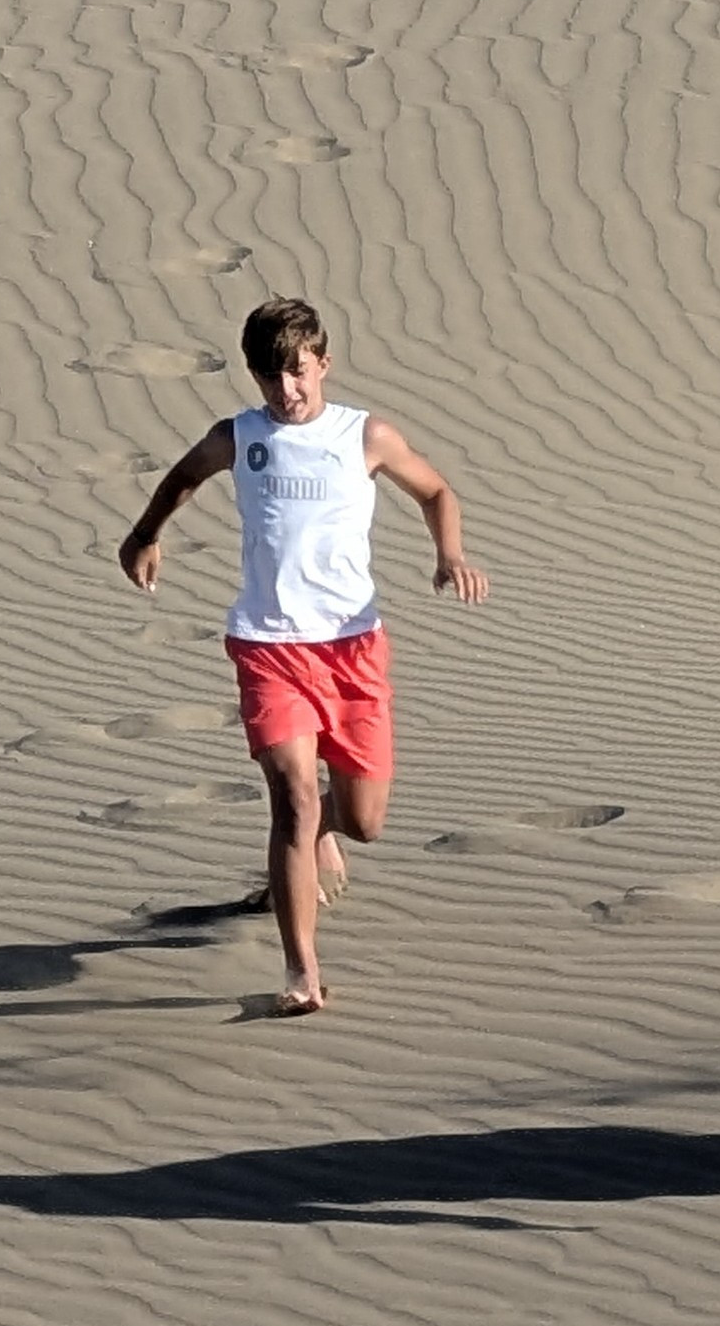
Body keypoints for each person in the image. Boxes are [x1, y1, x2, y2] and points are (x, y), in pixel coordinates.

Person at [118, 297, 488, 1015]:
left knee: (365, 820)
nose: (285, 390)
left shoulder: (365, 435)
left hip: (353, 647)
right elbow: (183, 477)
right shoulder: (239, 436)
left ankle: (322, 833)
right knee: (292, 796)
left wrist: (450, 555)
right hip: (268, 646)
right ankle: (301, 971)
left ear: (323, 364)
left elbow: (436, 490)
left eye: (297, 372)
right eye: (269, 376)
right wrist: (145, 534)